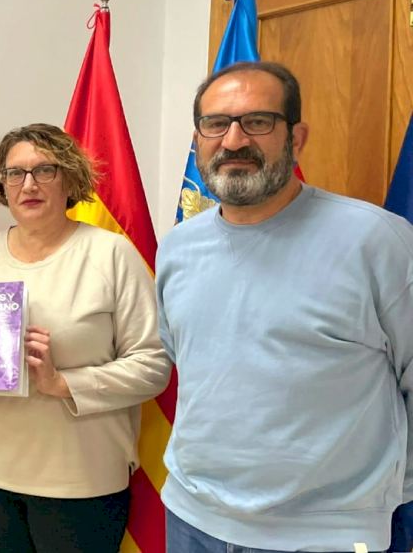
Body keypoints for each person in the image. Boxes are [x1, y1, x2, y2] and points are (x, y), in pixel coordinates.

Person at [157, 61, 413, 552]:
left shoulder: (377, 242)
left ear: (297, 137)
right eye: (216, 124)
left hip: (325, 535)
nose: (233, 140)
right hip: (192, 519)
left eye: (257, 121)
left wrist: (375, 502)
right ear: (198, 139)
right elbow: (187, 362)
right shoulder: (177, 248)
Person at [0, 123, 170, 553]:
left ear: (70, 179)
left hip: (80, 480)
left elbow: (153, 366)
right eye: (15, 173)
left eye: (45, 170)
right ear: (2, 185)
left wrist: (62, 383)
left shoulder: (111, 254)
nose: (29, 184)